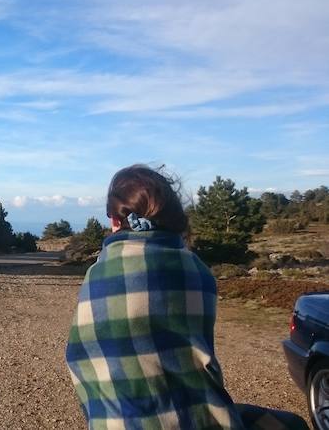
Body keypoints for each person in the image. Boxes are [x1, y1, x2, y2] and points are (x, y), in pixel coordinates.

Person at [65, 164, 307, 429]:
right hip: (197, 419)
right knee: (292, 423)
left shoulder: (96, 275)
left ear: (114, 220)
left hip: (114, 422)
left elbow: (81, 360)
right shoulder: (197, 271)